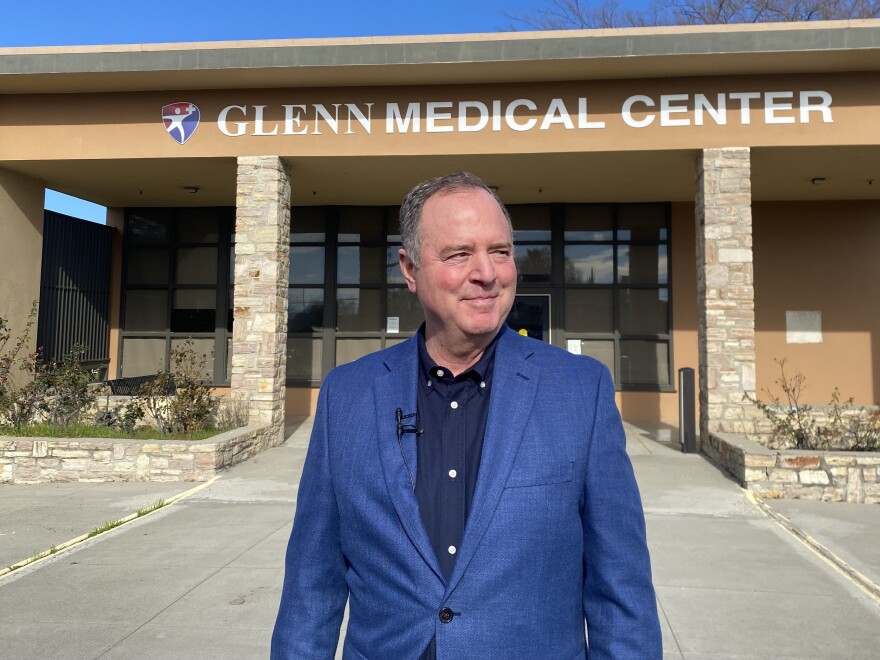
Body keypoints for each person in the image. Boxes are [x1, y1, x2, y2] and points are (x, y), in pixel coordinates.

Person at [271, 172, 662, 659]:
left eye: (499, 251)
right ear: (409, 269)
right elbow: (312, 586)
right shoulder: (346, 396)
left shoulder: (581, 392)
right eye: (459, 254)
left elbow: (620, 591)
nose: (487, 272)